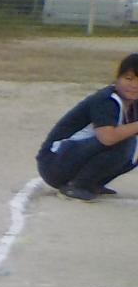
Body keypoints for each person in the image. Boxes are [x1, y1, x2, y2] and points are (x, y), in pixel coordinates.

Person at [35, 52, 138, 200]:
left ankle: (91, 183)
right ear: (118, 78)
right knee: (124, 139)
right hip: (53, 164)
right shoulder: (107, 100)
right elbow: (107, 137)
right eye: (128, 78)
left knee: (131, 144)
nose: (134, 85)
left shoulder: (134, 103)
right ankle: (78, 185)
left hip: (72, 158)